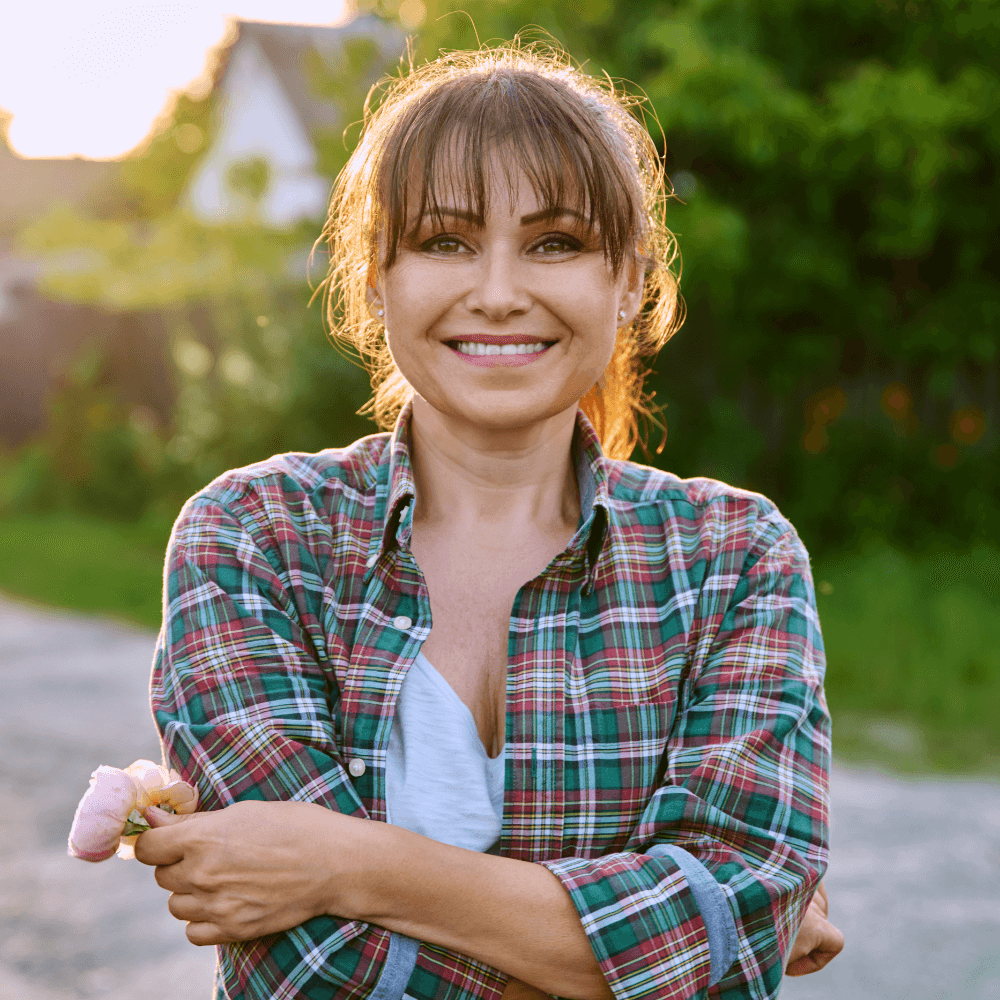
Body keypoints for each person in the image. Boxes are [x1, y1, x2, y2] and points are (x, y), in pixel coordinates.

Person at [135, 41, 843, 1000]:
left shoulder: (734, 558)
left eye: (555, 242)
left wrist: (344, 866)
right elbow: (302, 967)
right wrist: (662, 949)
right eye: (445, 241)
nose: (501, 290)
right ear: (376, 276)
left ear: (629, 279)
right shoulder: (254, 537)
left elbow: (730, 918)